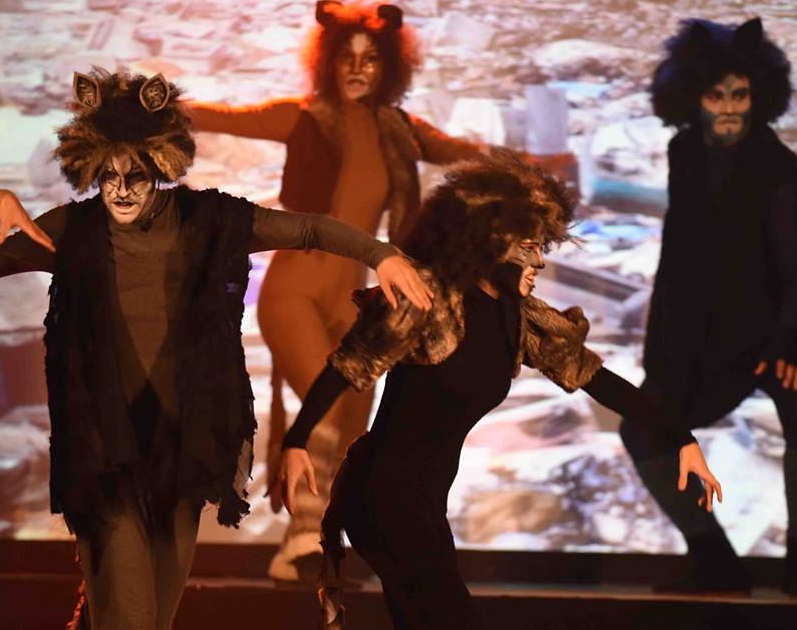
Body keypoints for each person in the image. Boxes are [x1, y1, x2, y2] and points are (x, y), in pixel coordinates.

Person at [0, 68, 431, 629]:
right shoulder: (72, 230)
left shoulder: (210, 221)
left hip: (182, 457)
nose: (120, 189)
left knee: (152, 620)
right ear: (90, 169)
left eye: (135, 174)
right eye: (107, 176)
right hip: (105, 461)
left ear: (161, 165)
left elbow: (309, 230)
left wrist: (381, 254)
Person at [278, 153, 723, 629]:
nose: (540, 261)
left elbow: (595, 378)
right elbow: (348, 365)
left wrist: (680, 437)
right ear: (488, 241)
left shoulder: (518, 316)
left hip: (424, 507)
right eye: (528, 246)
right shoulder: (430, 300)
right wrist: (297, 440)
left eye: (542, 246)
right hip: (382, 498)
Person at [187, 0, 499, 583]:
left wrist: (536, 165)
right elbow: (221, 117)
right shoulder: (302, 116)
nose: (357, 70)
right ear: (327, 62)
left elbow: (463, 153)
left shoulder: (400, 131)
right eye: (346, 58)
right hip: (293, 293)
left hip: (355, 304)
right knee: (324, 409)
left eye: (370, 59)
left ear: (388, 68)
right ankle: (303, 541)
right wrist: (139, 109)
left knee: (354, 434)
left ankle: (310, 545)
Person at [619, 17, 797, 600]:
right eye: (716, 94)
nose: (728, 107)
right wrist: (662, 357)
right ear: (691, 98)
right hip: (720, 329)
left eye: (740, 95)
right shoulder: (683, 151)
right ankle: (714, 562)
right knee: (645, 428)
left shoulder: (778, 165)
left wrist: (788, 344)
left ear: (759, 97)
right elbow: (680, 258)